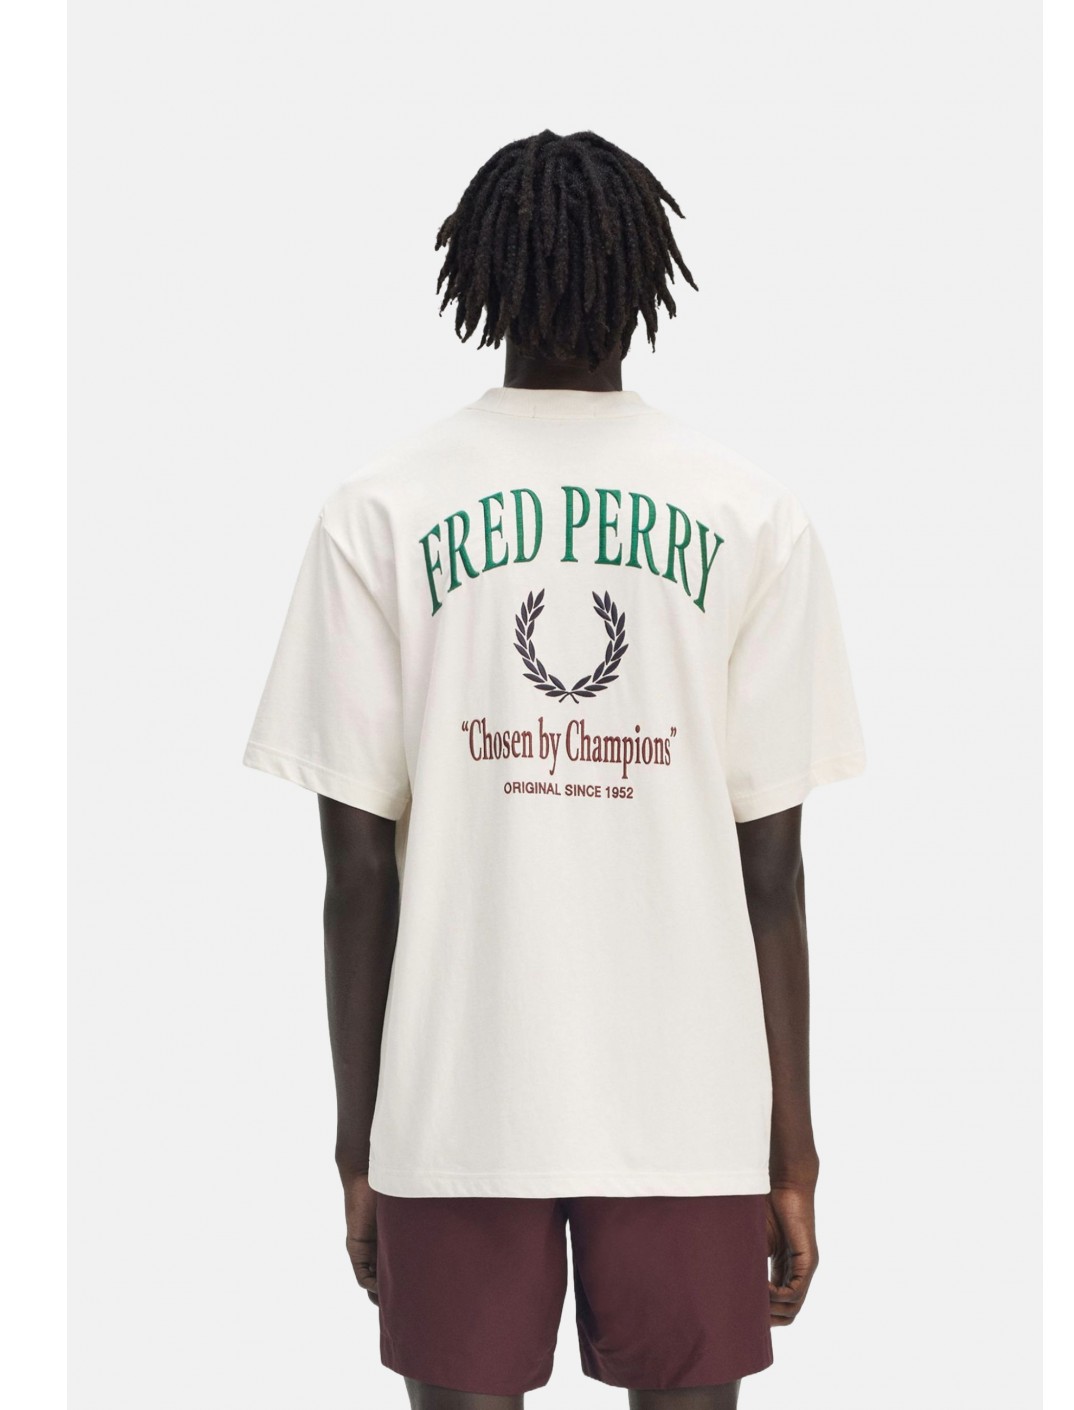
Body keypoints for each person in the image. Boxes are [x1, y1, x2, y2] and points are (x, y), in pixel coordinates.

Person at [243, 129, 865, 1410]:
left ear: (483, 276)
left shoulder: (382, 508)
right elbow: (772, 872)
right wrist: (792, 1150)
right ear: (644, 276)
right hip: (691, 1110)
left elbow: (357, 875)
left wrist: (361, 1143)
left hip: (453, 1103)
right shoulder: (748, 512)